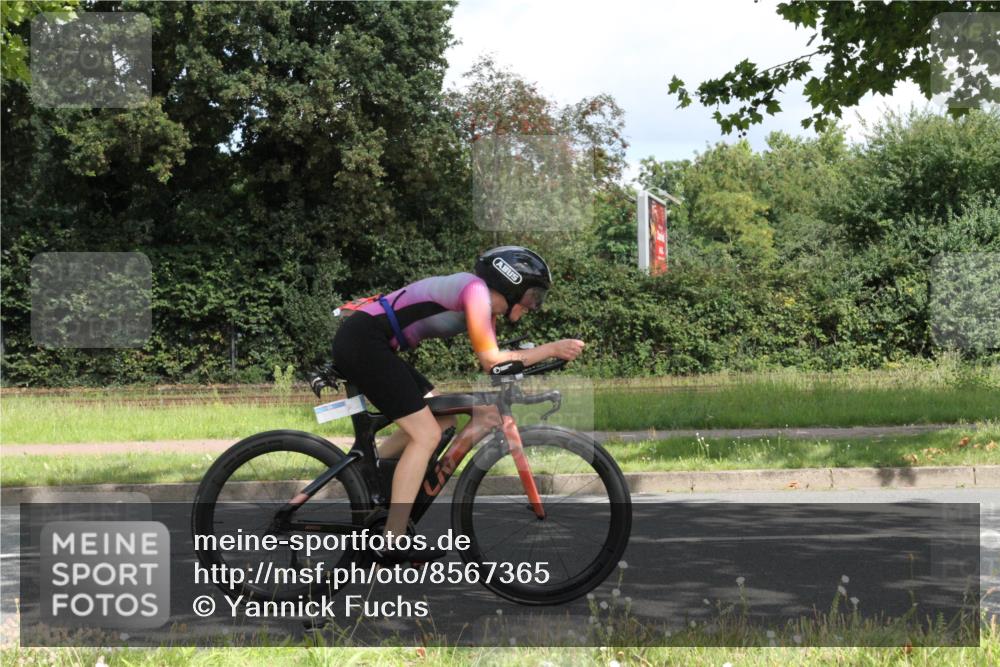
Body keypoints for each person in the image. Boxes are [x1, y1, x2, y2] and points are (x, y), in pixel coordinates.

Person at [330, 246, 585, 562]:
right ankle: (392, 539)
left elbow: (494, 363)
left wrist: (533, 358)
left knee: (443, 420)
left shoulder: (484, 306)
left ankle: (363, 472)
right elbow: (492, 361)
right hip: (364, 342)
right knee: (426, 435)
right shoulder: (475, 291)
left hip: (373, 342)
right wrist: (552, 349)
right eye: (532, 295)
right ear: (511, 282)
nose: (534, 305)